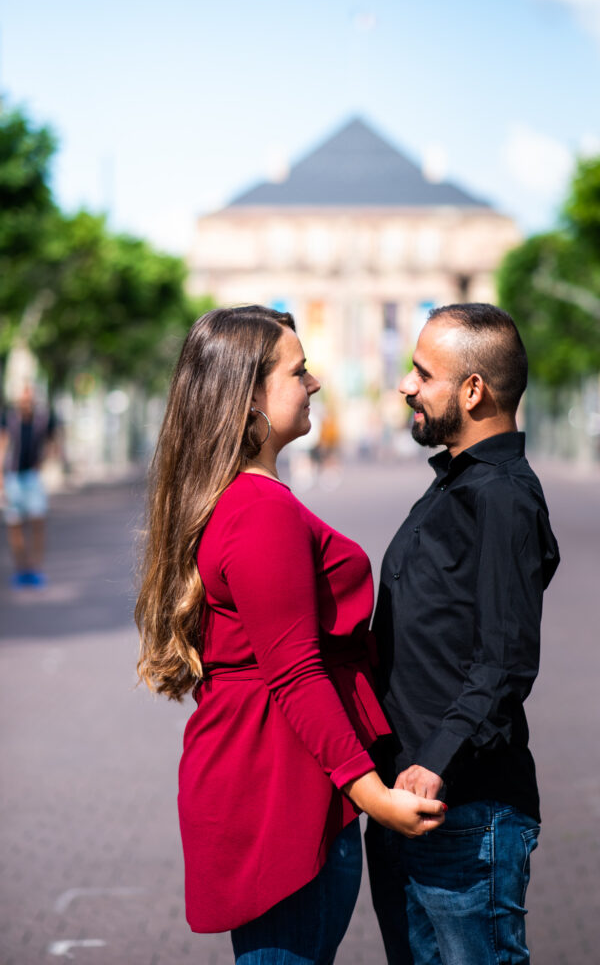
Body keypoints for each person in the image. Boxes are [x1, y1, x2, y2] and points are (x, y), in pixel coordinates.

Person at [134, 306, 445, 965]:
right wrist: (374, 796)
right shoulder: (260, 510)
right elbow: (296, 672)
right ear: (248, 396)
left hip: (270, 775)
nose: (314, 383)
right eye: (298, 371)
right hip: (285, 790)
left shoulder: (237, 499)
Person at [366, 303, 560, 965]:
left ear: (473, 390)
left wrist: (434, 763)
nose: (406, 386)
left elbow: (506, 661)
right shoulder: (457, 484)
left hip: (465, 810)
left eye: (423, 373)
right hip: (407, 804)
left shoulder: (502, 495)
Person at [0, 383, 58, 587]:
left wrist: (46, 459)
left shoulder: (43, 419)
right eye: (23, 400)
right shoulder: (8, 418)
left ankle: (36, 568)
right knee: (14, 524)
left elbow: (53, 441)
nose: (26, 403)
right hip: (13, 477)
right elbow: (2, 445)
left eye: (29, 400)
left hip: (33, 477)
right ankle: (21, 568)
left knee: (38, 521)